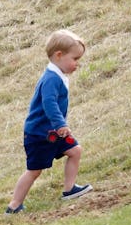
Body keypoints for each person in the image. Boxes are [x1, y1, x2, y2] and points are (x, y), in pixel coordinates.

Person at [6, 29, 92, 214]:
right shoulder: (51, 79)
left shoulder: (58, 75)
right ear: (59, 55)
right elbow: (49, 103)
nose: (77, 64)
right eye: (75, 59)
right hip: (39, 134)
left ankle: (69, 190)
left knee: (75, 151)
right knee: (34, 171)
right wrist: (60, 124)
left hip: (53, 133)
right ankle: (14, 205)